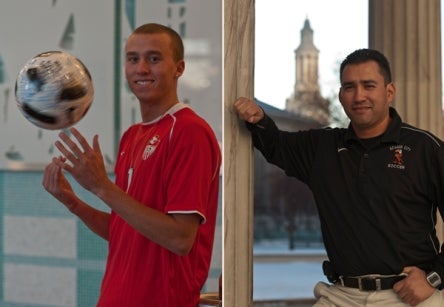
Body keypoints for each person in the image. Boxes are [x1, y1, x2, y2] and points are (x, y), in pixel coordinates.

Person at [234, 48, 444, 306]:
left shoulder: (425, 148)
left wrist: (434, 278)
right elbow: (276, 144)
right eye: (349, 87)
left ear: (389, 92)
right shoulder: (323, 148)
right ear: (341, 96)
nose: (359, 96)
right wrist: (258, 119)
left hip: (409, 295)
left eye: (368, 85)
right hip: (341, 295)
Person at [43, 23, 221, 307]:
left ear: (179, 68)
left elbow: (179, 239)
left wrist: (101, 187)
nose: (141, 69)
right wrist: (73, 202)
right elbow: (124, 230)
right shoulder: (132, 136)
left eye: (154, 58)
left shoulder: (190, 132)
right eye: (133, 59)